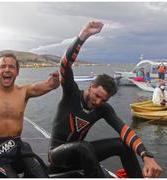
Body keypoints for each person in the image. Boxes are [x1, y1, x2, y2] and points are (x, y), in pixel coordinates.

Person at [48, 21, 162, 178]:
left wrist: (146, 156)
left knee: (122, 144)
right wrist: (83, 36)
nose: (98, 102)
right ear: (91, 87)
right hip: (57, 156)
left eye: (104, 100)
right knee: (84, 147)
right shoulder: (71, 94)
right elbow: (65, 65)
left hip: (79, 157)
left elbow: (124, 131)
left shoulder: (102, 108)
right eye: (97, 96)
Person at [0, 53, 60, 177]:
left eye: (11, 67)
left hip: (18, 146)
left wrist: (55, 80)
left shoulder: (24, 91)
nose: (7, 70)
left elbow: (51, 84)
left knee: (41, 174)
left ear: (17, 71)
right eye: (3, 66)